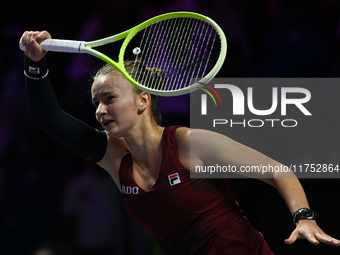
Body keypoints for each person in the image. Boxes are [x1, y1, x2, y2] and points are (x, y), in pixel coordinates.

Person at [21, 30, 340, 255]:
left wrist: (303, 216)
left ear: (143, 100)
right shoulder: (115, 158)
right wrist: (35, 64)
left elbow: (275, 170)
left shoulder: (188, 143)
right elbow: (50, 119)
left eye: (109, 99)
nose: (100, 110)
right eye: (95, 102)